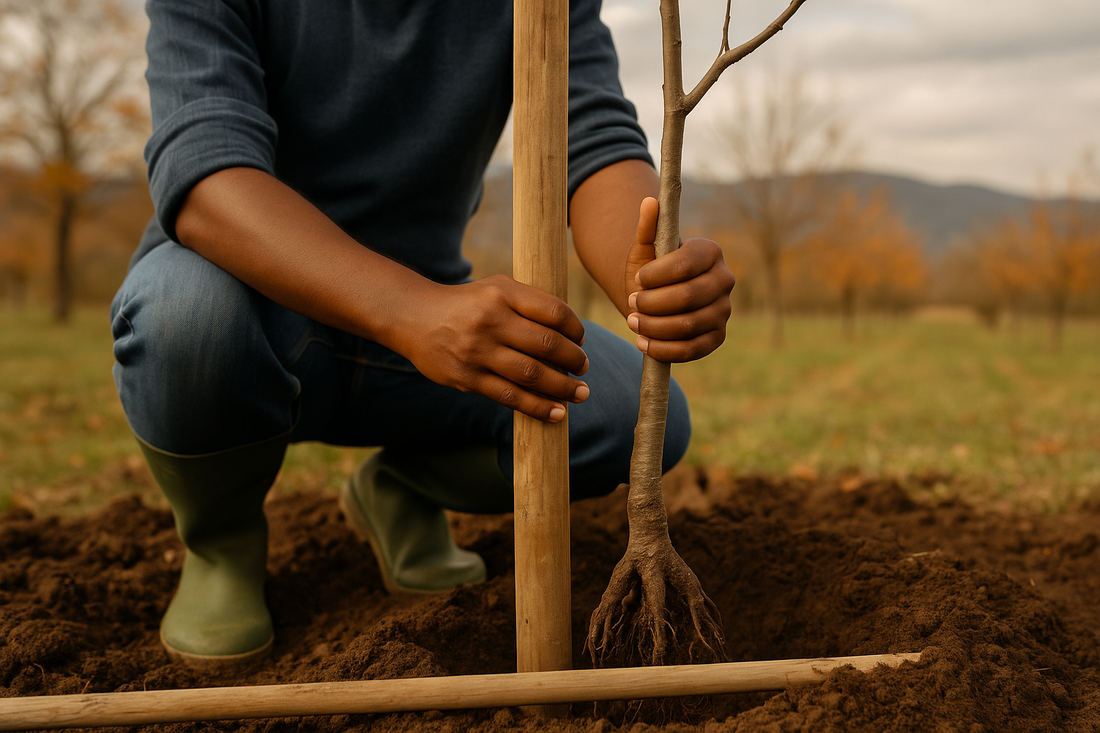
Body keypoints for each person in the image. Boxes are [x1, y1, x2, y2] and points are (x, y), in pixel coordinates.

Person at [111, 0, 736, 666]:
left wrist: (646, 271)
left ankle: (403, 487)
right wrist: (409, 311)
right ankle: (222, 540)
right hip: (252, 313)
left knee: (622, 410)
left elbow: (592, 135)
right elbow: (205, 168)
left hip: (430, 335)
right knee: (181, 318)